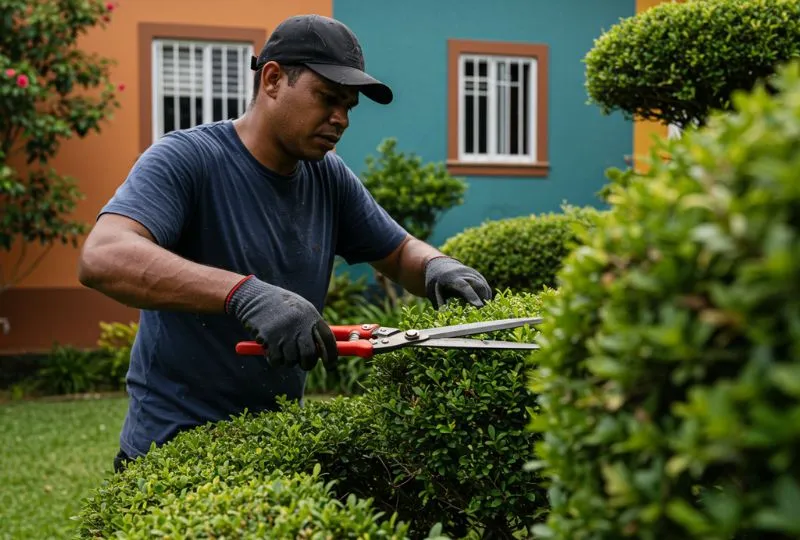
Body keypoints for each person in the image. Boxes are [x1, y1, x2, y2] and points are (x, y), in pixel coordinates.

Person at [77, 14, 492, 473]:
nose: (341, 119)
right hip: (170, 453)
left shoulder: (327, 175)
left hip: (275, 448)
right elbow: (104, 256)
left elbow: (396, 251)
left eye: (349, 106)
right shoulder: (186, 159)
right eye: (327, 98)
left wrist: (436, 266)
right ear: (272, 79)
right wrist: (243, 294)